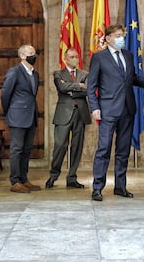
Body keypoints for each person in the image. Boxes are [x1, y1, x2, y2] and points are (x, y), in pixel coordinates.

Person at [87, 24, 144, 201]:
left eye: (122, 35)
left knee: (123, 150)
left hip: (127, 109)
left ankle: (120, 186)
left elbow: (132, 78)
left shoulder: (127, 55)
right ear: (108, 39)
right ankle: (97, 187)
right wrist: (94, 108)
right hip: (107, 110)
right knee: (103, 149)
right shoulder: (99, 57)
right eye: (118, 35)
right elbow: (91, 86)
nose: (122, 38)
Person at [45, 48, 92, 189]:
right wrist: (78, 86)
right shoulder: (58, 73)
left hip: (80, 114)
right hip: (63, 114)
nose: (75, 59)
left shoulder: (85, 74)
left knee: (77, 147)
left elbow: (88, 89)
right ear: (65, 59)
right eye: (71, 57)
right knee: (60, 146)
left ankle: (72, 177)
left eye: (76, 56)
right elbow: (62, 87)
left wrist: (72, 89)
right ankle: (53, 175)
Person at [1, 44, 41, 193]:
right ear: (22, 56)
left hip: (31, 116)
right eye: (31, 53)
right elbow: (5, 94)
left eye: (34, 53)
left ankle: (24, 179)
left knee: (26, 149)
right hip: (17, 115)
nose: (34, 55)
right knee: (16, 149)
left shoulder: (35, 74)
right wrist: (9, 111)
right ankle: (15, 180)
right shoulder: (15, 72)